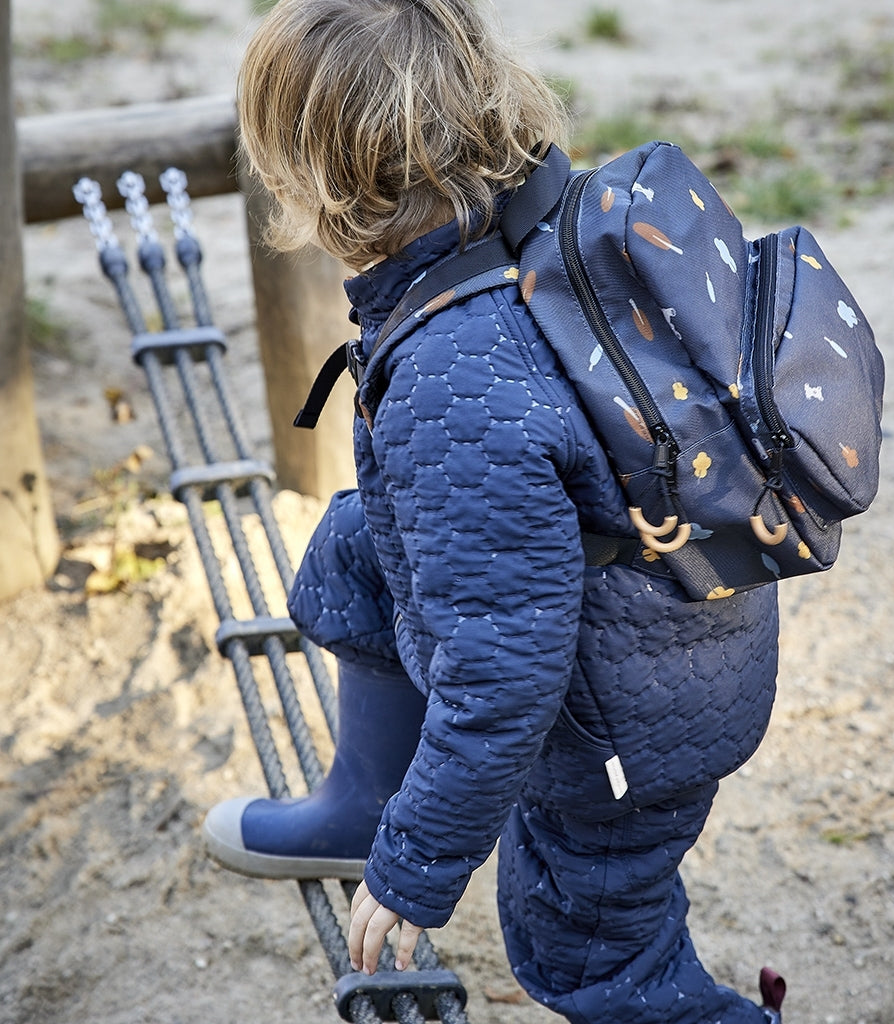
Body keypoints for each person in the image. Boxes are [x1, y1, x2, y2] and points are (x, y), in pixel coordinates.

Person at [201, 1, 785, 1021]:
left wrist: (417, 865)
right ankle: (365, 800)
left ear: (318, 181)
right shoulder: (530, 214)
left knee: (590, 954)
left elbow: (503, 673)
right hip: (655, 610)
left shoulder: (450, 379)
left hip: (623, 727)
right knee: (359, 544)